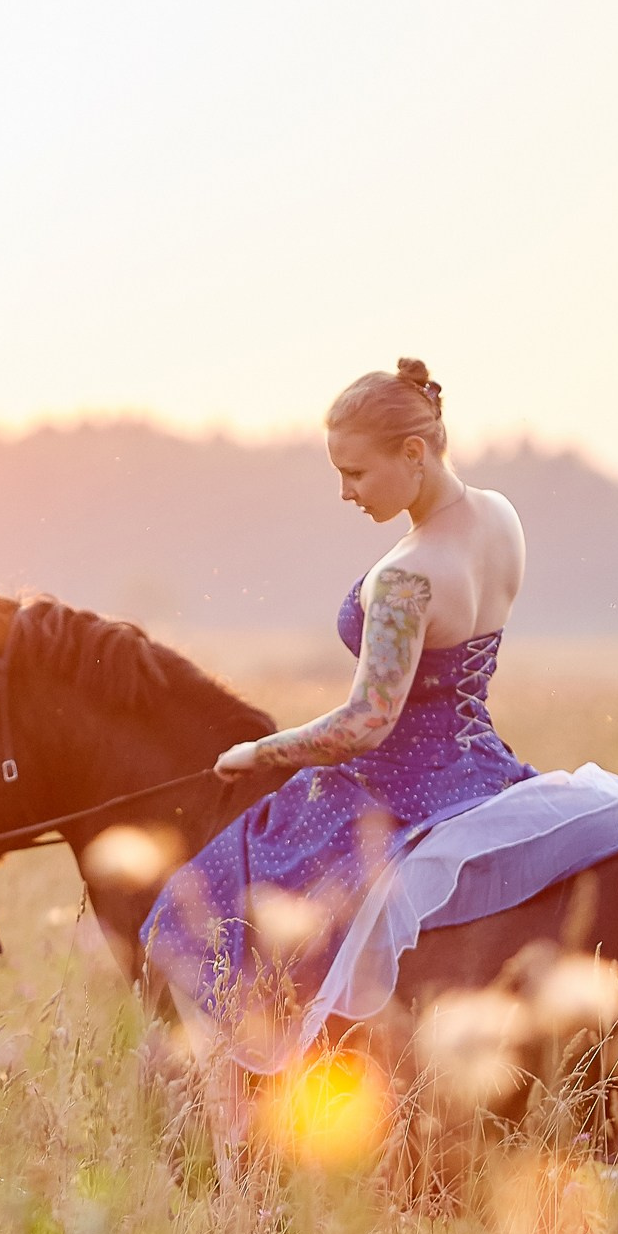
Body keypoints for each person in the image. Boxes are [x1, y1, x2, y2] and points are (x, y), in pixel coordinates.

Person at [141, 359, 542, 1057]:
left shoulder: (406, 579)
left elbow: (367, 723)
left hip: (400, 788)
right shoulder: (499, 517)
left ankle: (261, 1077)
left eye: (356, 473)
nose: (344, 491)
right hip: (487, 770)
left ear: (414, 453)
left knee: (213, 900)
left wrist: (259, 752)